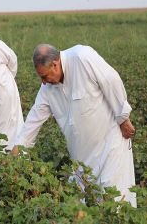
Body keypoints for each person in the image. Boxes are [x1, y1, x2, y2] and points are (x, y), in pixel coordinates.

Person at [12, 44, 137, 207]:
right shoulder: (47, 89)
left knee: (116, 202)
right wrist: (17, 151)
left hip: (110, 146)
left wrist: (123, 118)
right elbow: (33, 121)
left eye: (44, 76)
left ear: (55, 64)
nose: (43, 82)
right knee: (81, 209)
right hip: (81, 158)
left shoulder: (81, 57)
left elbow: (111, 81)